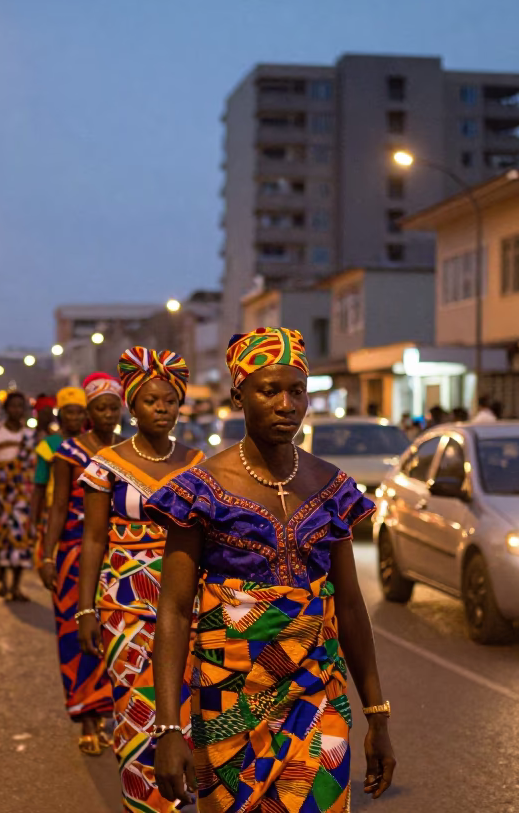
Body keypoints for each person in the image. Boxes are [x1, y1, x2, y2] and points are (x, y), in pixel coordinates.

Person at [144, 327, 396, 811]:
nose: (287, 405)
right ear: (239, 394)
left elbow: (348, 604)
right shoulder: (200, 489)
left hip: (318, 692)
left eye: (296, 391)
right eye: (269, 390)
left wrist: (377, 716)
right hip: (227, 698)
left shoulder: (331, 488)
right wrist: (168, 727)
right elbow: (174, 611)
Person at [76, 348, 203, 813]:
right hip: (124, 605)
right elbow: (93, 540)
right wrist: (85, 607)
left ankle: (183, 800)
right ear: (133, 406)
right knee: (135, 708)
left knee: (186, 709)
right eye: (152, 401)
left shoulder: (198, 464)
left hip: (188, 603)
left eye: (170, 401)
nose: (162, 409)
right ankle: (143, 805)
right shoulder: (107, 465)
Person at [37, 374, 122, 757]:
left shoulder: (129, 451)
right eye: (99, 408)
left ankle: (106, 717)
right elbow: (56, 507)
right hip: (73, 555)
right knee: (77, 638)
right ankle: (87, 718)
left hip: (118, 557)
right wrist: (48, 555)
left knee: (113, 636)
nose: (107, 414)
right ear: (89, 412)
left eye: (112, 407)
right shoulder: (68, 453)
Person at [0, 391, 38, 602]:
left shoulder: (31, 436)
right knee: (1, 538)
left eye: (20, 406)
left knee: (22, 539)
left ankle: (16, 585)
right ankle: (3, 581)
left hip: (24, 495)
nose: (16, 410)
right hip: (0, 495)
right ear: (5, 409)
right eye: (12, 406)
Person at [32, 386, 88, 552]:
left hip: (87, 513)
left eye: (80, 412)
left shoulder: (92, 443)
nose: (75, 417)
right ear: (60, 415)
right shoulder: (48, 445)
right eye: (70, 412)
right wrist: (33, 521)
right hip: (54, 512)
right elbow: (39, 485)